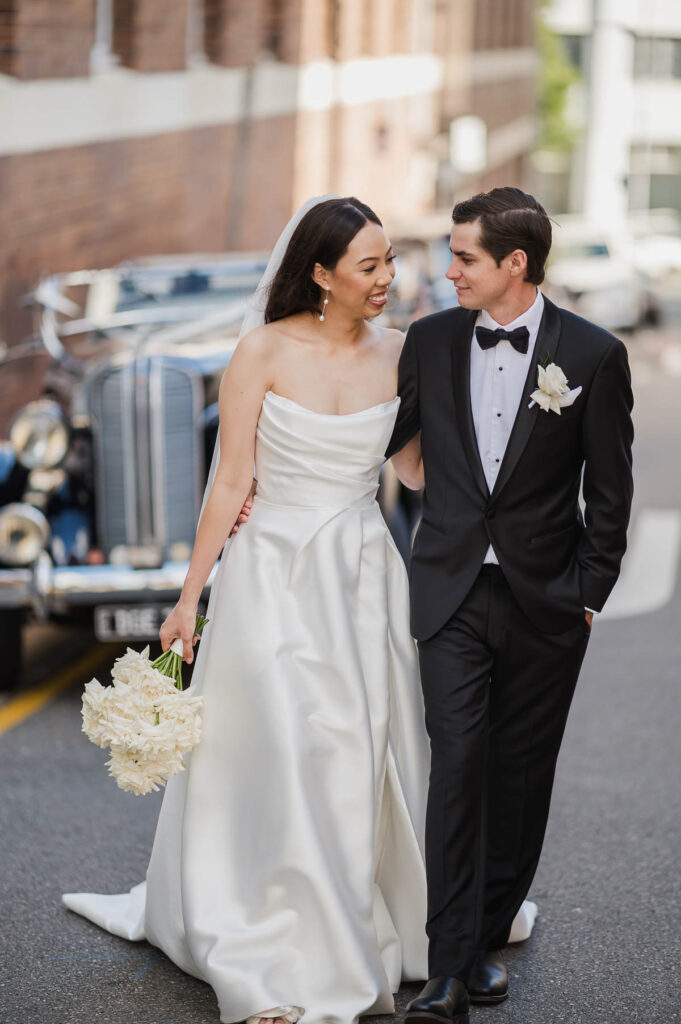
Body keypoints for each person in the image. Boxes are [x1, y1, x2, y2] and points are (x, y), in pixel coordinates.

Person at [61, 195, 538, 1024]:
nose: (389, 278)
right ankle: (279, 944)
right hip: (271, 574)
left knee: (360, 748)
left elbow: (420, 473)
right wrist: (188, 598)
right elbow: (231, 484)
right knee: (284, 747)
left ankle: (377, 915)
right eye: (369, 266)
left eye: (390, 261)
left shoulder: (406, 351)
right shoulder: (261, 352)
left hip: (362, 572)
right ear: (320, 275)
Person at [384, 187, 634, 1024]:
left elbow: (609, 493)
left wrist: (586, 600)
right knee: (457, 769)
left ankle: (485, 938)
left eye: (463, 258)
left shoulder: (592, 355)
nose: (446, 270)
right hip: (449, 590)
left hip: (543, 602)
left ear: (513, 265)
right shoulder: (427, 341)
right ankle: (447, 972)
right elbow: (384, 442)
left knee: (518, 782)